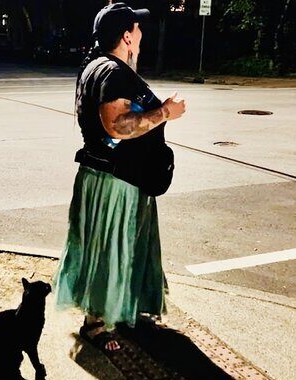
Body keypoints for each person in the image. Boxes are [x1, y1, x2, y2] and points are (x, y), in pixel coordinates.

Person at [54, 3, 186, 353]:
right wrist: (166, 112)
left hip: (112, 176)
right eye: (137, 28)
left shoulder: (99, 67)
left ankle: (119, 309)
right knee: (111, 249)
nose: (141, 33)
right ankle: (96, 323)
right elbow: (117, 126)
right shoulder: (112, 72)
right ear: (127, 36)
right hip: (116, 181)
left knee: (117, 247)